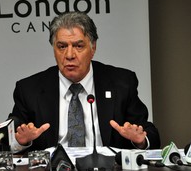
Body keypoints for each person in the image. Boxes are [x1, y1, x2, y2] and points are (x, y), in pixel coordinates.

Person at [8, 11, 160, 153]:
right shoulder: (29, 89)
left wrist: (140, 141)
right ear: (53, 49)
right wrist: (20, 142)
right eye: (61, 47)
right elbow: (4, 144)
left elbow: (151, 135)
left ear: (93, 48)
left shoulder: (121, 83)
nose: (69, 55)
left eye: (78, 46)